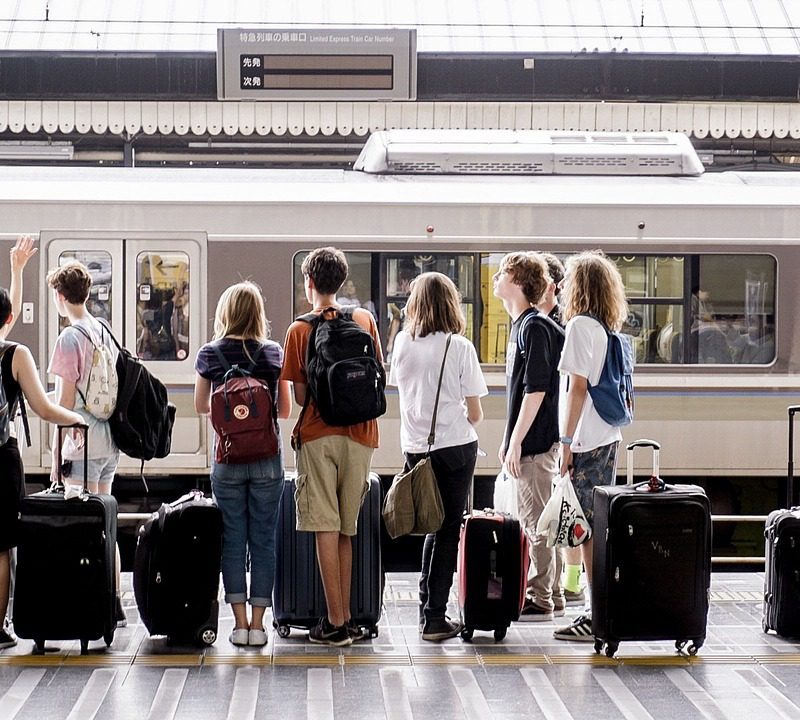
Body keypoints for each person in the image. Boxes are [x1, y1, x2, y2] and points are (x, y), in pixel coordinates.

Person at [281, 247, 383, 647]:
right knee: (346, 527)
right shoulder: (364, 320)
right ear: (341, 282)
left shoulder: (298, 330)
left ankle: (336, 621)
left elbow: (303, 394)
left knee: (324, 524)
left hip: (319, 434)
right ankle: (346, 620)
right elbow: (375, 373)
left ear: (309, 283)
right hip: (361, 435)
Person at [389, 272, 487, 641]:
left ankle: (425, 608)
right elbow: (475, 413)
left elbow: (405, 392)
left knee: (431, 522)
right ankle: (434, 618)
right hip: (455, 448)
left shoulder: (402, 343)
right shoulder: (459, 347)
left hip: (415, 448)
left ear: (415, 304)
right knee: (447, 530)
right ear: (451, 304)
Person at [194, 281, 291, 647]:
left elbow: (202, 406)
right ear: (258, 315)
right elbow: (283, 410)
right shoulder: (271, 354)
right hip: (267, 459)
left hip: (227, 458)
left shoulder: (209, 354)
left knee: (232, 541)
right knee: (263, 541)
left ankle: (237, 626)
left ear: (224, 313)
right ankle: (259, 625)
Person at [0, 286, 84, 649]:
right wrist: (76, 418)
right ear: (7, 318)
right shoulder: (15, 355)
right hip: (1, 457)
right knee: (1, 546)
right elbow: (43, 408)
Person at [553, 250, 629, 642]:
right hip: (605, 436)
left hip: (587, 441)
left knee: (585, 529)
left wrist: (565, 442)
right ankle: (597, 609)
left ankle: (593, 612)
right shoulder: (602, 328)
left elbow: (576, 388)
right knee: (590, 526)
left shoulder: (581, 326)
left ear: (581, 287)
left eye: (568, 279)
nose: (562, 287)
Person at [46, 260, 127, 626]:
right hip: (109, 439)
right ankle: (114, 602)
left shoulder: (69, 338)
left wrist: (53, 456)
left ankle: (92, 604)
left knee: (85, 524)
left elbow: (63, 404)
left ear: (61, 297)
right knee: (106, 521)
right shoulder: (102, 329)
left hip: (80, 441)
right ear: (87, 293)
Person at [494, 253, 564, 622]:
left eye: (503, 273)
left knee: (534, 521)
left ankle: (540, 597)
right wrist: (509, 439)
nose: (496, 278)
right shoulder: (527, 324)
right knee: (538, 517)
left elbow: (535, 390)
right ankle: (551, 592)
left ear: (519, 282)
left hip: (536, 442)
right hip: (530, 439)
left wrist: (517, 440)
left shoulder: (533, 327)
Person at [538, 253, 585, 609]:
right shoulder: (561, 323)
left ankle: (569, 586)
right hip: (563, 431)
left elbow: (571, 386)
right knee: (566, 510)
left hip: (560, 433)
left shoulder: (556, 326)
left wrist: (565, 440)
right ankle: (567, 586)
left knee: (567, 511)